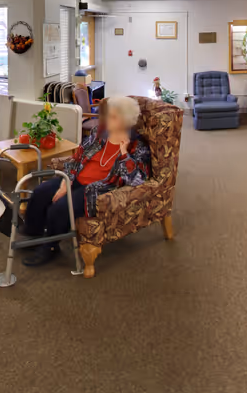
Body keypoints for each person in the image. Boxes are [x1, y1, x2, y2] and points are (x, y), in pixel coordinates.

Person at [18, 96, 152, 267]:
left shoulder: (137, 147)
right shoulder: (99, 134)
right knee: (40, 193)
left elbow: (138, 180)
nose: (106, 119)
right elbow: (76, 158)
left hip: (97, 189)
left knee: (59, 208)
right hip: (76, 179)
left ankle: (50, 247)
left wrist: (124, 153)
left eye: (113, 116)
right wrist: (66, 182)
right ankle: (33, 236)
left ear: (126, 121)